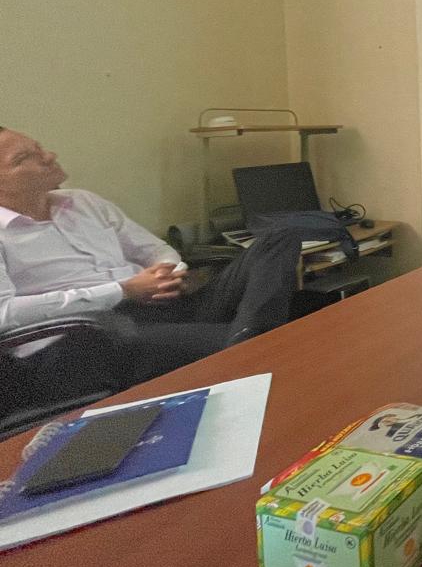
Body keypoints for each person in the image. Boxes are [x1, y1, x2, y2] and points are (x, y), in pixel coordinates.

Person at [0, 127, 305, 388]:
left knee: (281, 236)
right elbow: (4, 312)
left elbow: (154, 250)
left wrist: (168, 272)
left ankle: (249, 340)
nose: (49, 156)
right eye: (24, 158)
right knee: (280, 344)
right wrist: (123, 290)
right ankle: (252, 344)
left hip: (164, 304)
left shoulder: (83, 202)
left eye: (39, 148)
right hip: (98, 335)